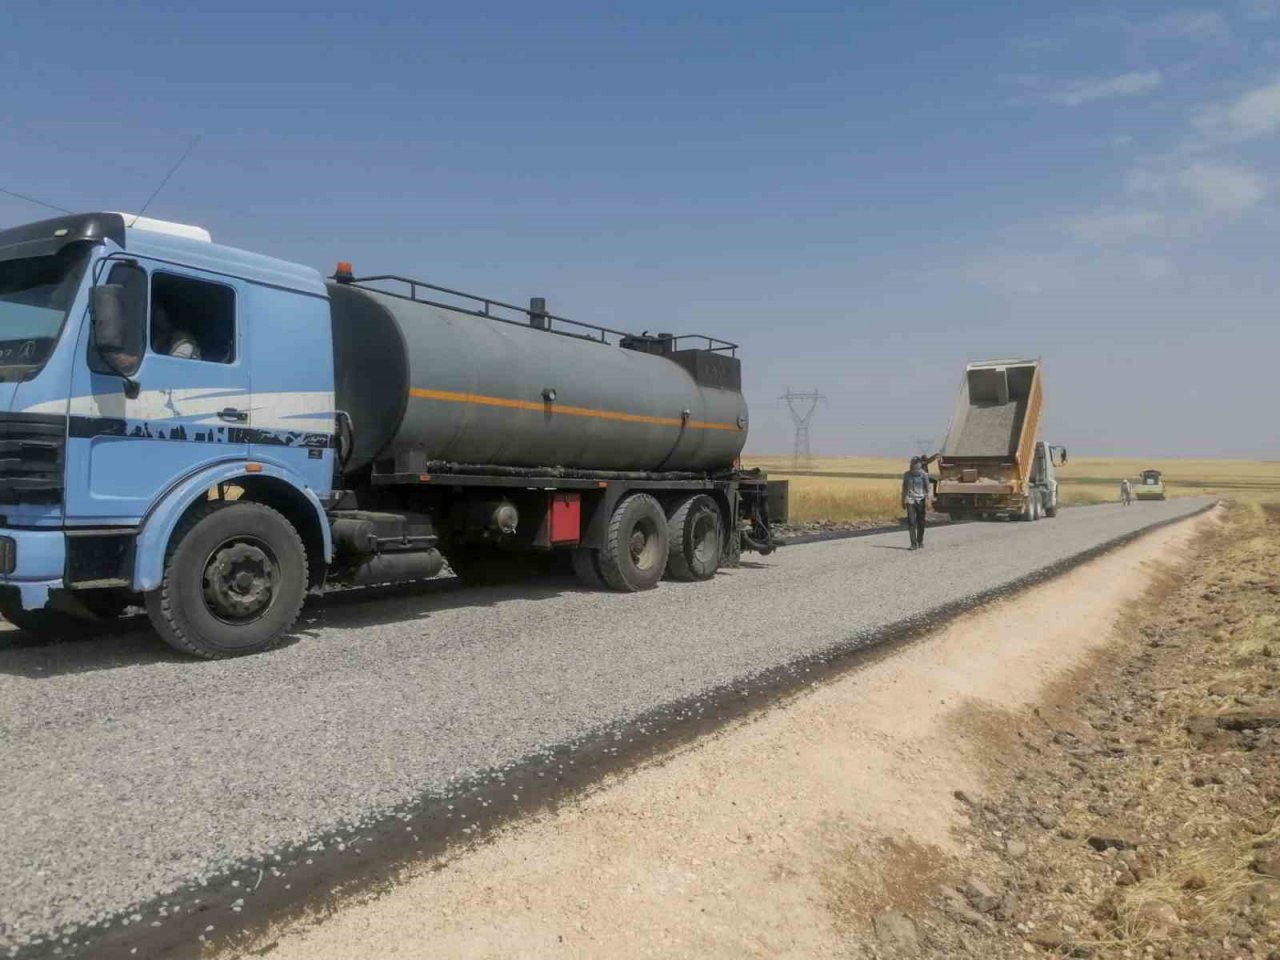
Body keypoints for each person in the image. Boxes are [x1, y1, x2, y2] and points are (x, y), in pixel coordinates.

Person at [901, 456, 932, 550]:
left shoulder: (924, 475)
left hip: (921, 500)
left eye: (916, 467)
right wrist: (902, 500)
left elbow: (928, 488)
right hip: (910, 500)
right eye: (912, 467)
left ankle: (920, 541)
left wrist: (928, 501)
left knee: (921, 522)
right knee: (911, 522)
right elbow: (904, 488)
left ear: (919, 466)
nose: (914, 469)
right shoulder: (907, 475)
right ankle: (913, 544)